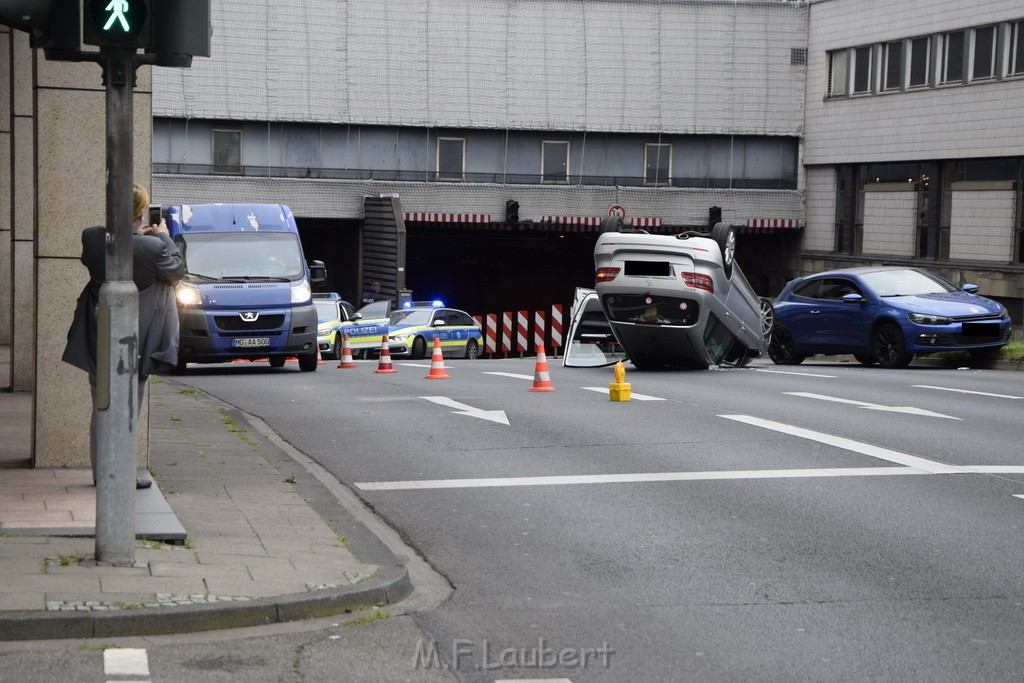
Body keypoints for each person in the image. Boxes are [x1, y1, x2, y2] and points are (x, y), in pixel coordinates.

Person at [62, 183, 186, 489]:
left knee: (100, 403)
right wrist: (163, 236)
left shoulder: (91, 237)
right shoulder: (154, 248)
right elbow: (176, 271)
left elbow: (105, 251)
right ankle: (121, 475)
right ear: (141, 211)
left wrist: (133, 237)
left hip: (98, 333)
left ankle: (100, 473)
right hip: (136, 339)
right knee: (129, 405)